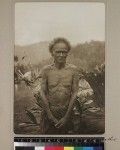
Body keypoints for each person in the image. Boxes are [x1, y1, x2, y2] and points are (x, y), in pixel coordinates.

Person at [38, 37, 79, 134]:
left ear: (67, 53)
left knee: (67, 145)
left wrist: (66, 117)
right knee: (48, 145)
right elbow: (42, 92)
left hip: (67, 112)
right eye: (58, 52)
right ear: (52, 52)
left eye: (64, 52)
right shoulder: (46, 70)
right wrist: (50, 115)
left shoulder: (73, 70)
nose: (61, 55)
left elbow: (75, 93)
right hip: (49, 113)